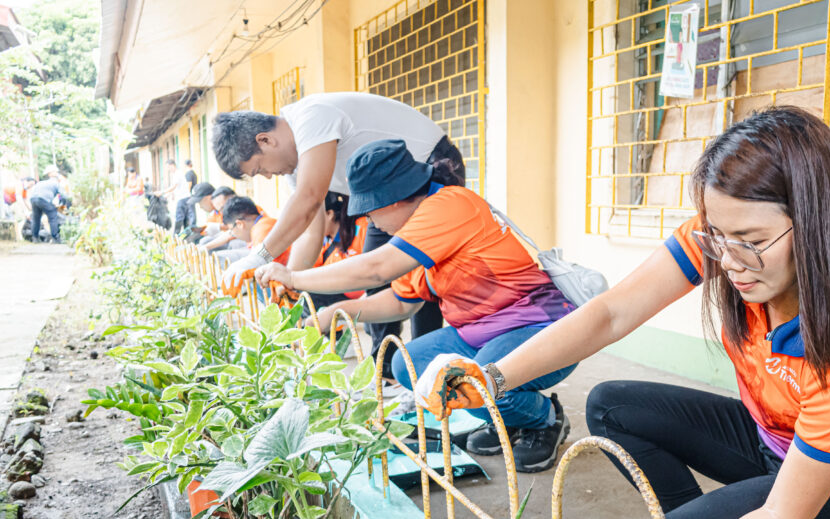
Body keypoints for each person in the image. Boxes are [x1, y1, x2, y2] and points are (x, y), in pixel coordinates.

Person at [415, 107, 830, 519]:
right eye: (717, 236)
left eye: (750, 241)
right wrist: (491, 377)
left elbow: (781, 517)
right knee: (612, 405)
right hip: (776, 441)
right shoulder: (727, 237)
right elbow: (611, 313)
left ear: (816, 221)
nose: (729, 260)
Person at [255, 139, 577, 472]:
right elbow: (400, 303)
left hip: (539, 329)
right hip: (480, 335)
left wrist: (293, 277)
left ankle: (545, 419)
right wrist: (335, 313)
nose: (372, 221)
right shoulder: (417, 234)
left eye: (372, 210)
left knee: (469, 382)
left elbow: (375, 268)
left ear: (396, 199)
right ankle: (508, 419)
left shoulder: (449, 205)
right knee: (408, 365)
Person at [211, 92, 453, 356]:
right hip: (385, 197)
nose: (269, 177)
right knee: (378, 277)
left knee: (422, 267)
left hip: (428, 169)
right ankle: (387, 371)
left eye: (260, 169)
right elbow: (311, 234)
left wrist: (260, 256)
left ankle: (427, 368)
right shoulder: (297, 165)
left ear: (265, 140)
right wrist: (289, 282)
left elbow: (309, 199)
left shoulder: (311, 118)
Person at [217, 197, 288, 265]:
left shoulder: (260, 232)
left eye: (231, 230)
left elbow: (262, 266)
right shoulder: (265, 223)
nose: (233, 234)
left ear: (239, 224)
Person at [28, 165, 68, 244]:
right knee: (53, 216)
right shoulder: (56, 183)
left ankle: (35, 238)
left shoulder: (41, 182)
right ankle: (55, 238)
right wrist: (63, 204)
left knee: (36, 218)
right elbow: (64, 196)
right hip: (43, 199)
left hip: (33, 199)